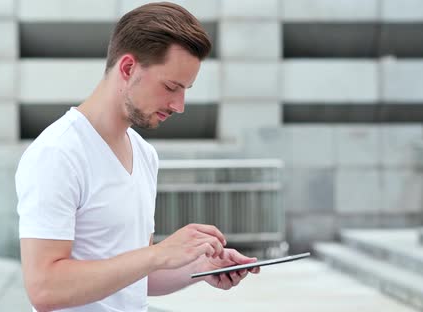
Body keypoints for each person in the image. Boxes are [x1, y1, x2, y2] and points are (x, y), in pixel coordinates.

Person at [15, 2, 260, 312]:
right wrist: (157, 254)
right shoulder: (58, 153)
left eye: (185, 90)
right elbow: (44, 288)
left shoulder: (144, 153)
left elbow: (136, 275)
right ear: (128, 68)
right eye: (171, 86)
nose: (179, 105)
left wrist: (200, 267)